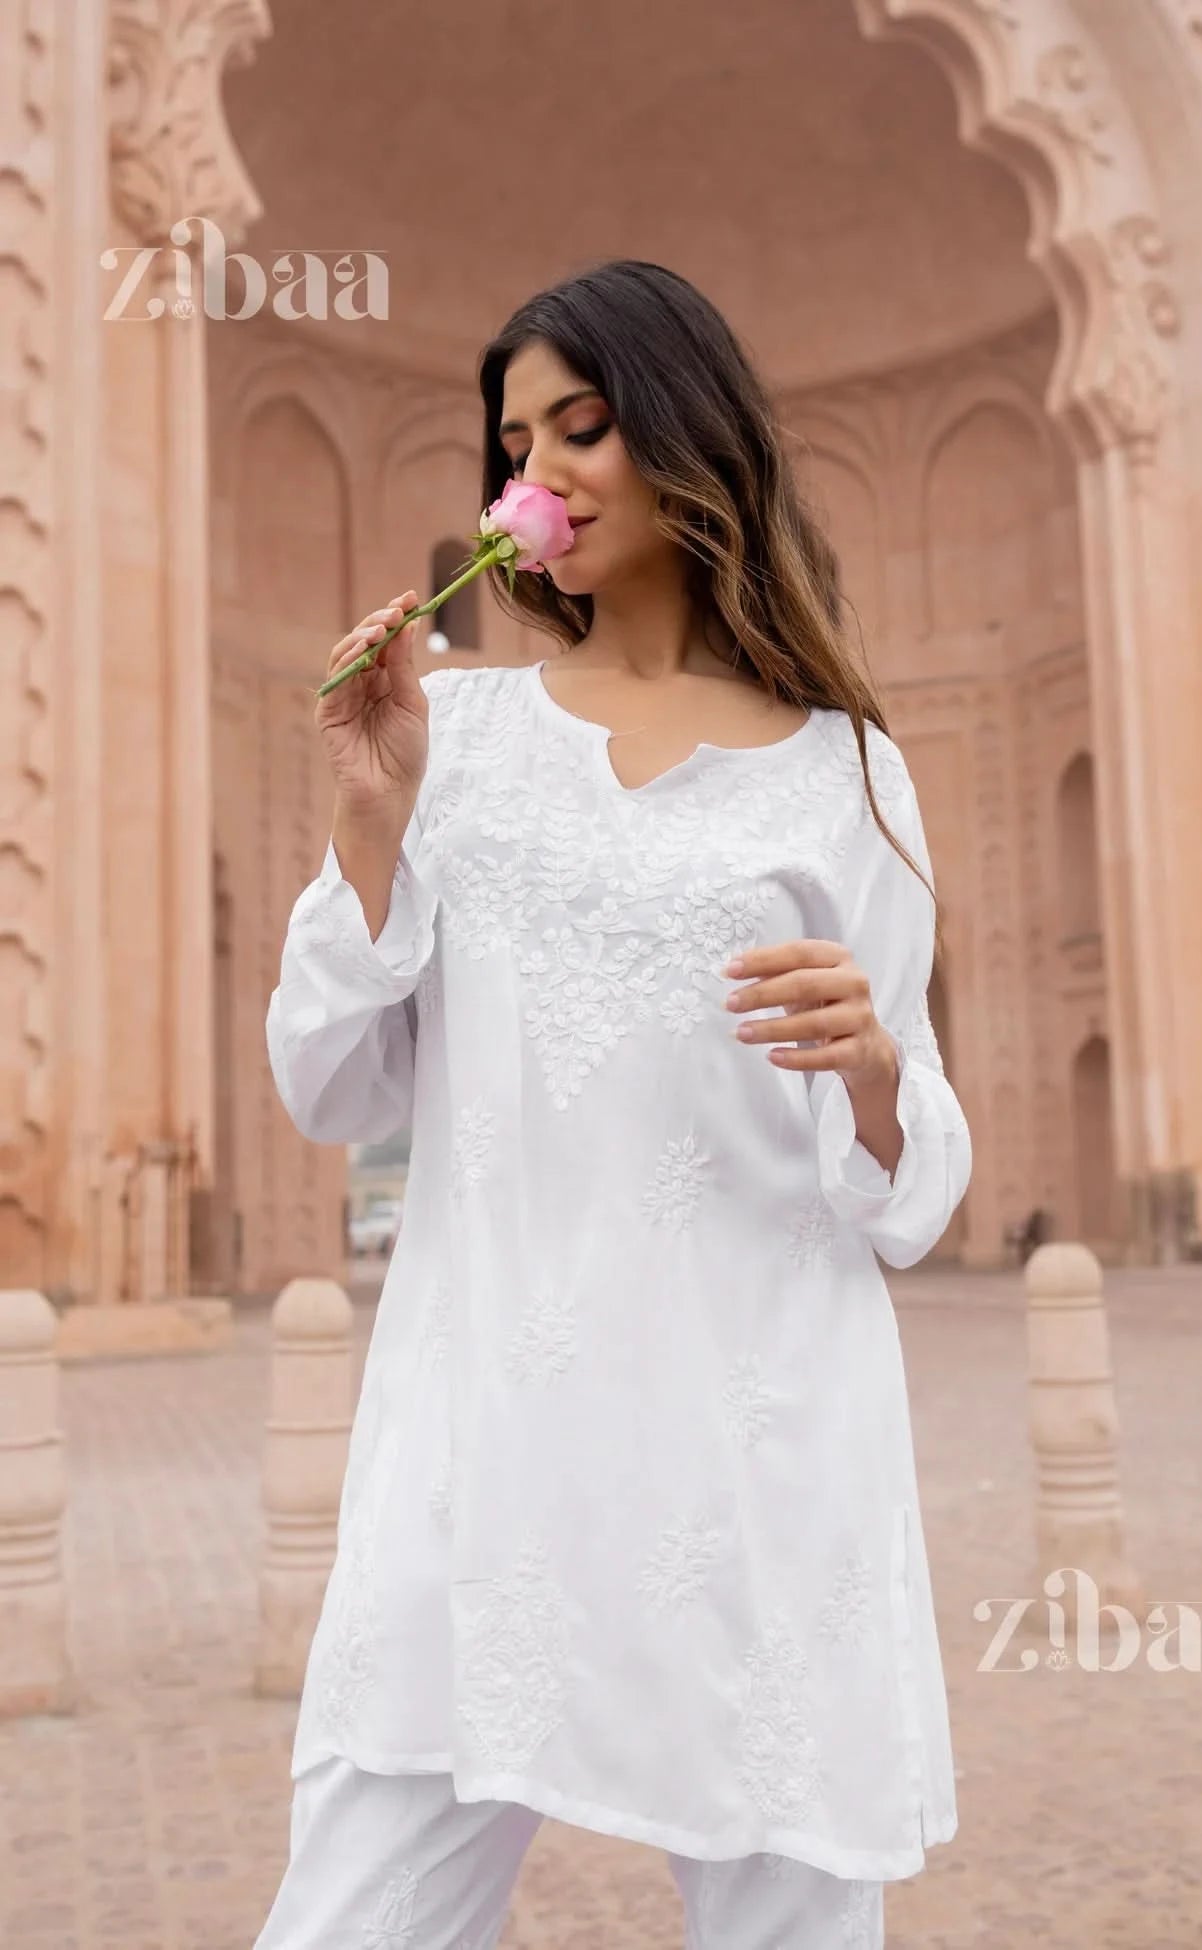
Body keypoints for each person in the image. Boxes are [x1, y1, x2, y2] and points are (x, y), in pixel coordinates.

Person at [257, 259, 973, 1950]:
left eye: (583, 425)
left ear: (684, 429)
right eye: (516, 442)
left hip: (755, 1456)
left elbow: (909, 1196)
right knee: (353, 1914)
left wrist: (878, 1069)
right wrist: (370, 827)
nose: (543, 471)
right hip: (481, 1452)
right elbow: (329, 1083)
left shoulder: (848, 771)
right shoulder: (460, 738)